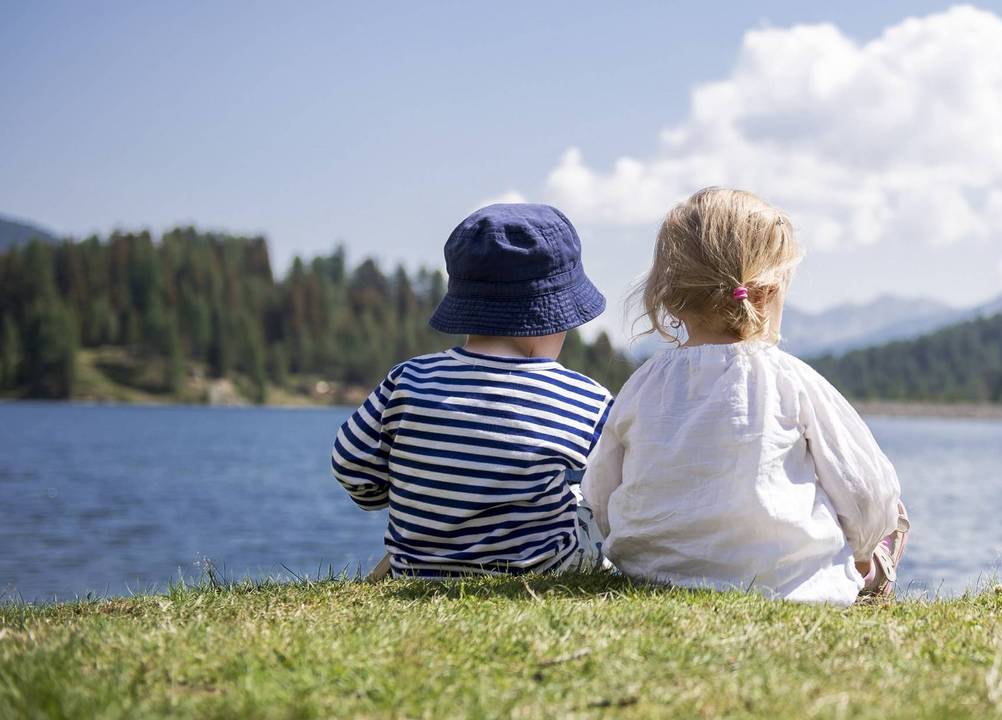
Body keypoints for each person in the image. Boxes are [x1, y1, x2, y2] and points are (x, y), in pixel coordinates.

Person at [581, 187, 908, 605]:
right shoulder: (789, 379)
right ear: (770, 293)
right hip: (786, 587)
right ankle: (873, 582)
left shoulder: (642, 384)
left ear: (670, 296)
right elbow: (867, 492)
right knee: (893, 516)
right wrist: (861, 551)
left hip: (650, 574)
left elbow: (600, 493)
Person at [330, 203, 614, 578]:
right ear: (549, 318)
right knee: (587, 496)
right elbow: (618, 491)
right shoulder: (586, 399)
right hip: (541, 573)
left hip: (417, 570)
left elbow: (351, 466)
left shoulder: (408, 379)